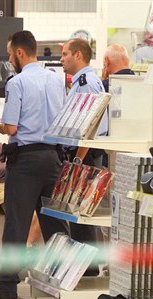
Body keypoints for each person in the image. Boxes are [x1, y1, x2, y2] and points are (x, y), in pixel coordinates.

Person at [0, 30, 70, 299]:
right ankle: (65, 279)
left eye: (11, 54)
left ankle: (8, 285)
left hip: (26, 159)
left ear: (19, 53)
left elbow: (11, 126)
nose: (11, 59)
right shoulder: (57, 80)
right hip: (54, 158)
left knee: (17, 224)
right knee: (54, 223)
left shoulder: (17, 82)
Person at [59, 38, 106, 252]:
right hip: (80, 154)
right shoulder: (80, 81)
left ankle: (88, 269)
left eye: (65, 54)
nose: (61, 59)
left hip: (84, 155)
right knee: (76, 216)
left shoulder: (86, 82)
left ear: (78, 55)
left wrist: (78, 159)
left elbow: (91, 124)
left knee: (81, 216)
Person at [0, 143, 43, 247]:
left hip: (27, 188)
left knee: (40, 208)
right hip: (3, 186)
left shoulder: (34, 148)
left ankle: (26, 246)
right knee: (16, 205)